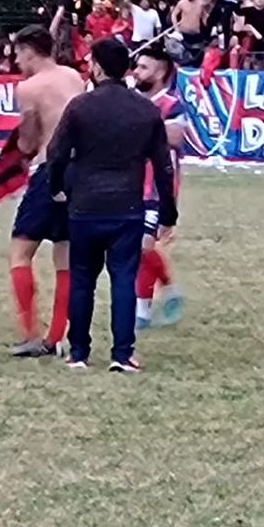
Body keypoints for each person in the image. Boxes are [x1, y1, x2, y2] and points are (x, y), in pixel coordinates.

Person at [46, 39, 177, 372]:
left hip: (85, 204)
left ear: (98, 67)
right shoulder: (146, 110)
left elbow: (56, 154)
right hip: (127, 206)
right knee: (123, 280)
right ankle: (122, 354)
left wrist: (57, 188)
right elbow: (163, 165)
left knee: (82, 279)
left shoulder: (80, 106)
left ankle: (79, 352)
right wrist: (168, 213)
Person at [6, 25, 86, 358]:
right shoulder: (73, 77)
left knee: (20, 252)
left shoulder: (29, 88)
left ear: (28, 50)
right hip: (80, 172)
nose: (15, 59)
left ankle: (31, 333)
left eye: (17, 53)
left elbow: (27, 142)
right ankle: (57, 336)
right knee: (65, 257)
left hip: (48, 170)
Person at [131, 48, 187, 330]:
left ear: (161, 72)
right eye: (136, 67)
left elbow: (176, 136)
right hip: (130, 184)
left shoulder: (170, 104)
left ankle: (153, 300)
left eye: (143, 67)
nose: (136, 72)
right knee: (134, 246)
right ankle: (148, 305)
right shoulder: (131, 101)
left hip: (156, 187)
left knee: (143, 245)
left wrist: (135, 126)